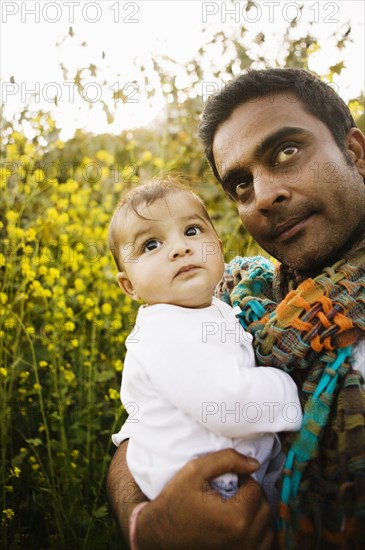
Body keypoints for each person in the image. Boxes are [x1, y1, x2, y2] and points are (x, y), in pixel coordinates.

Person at [106, 68, 365, 549]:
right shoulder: (234, 295)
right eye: (242, 184)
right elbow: (137, 431)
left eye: (287, 152)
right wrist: (145, 523)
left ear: (354, 153)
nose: (264, 196)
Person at [108, 179, 302, 508]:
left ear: (219, 247)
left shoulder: (211, 309)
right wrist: (290, 387)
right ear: (130, 286)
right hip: (207, 495)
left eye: (193, 231)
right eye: (151, 245)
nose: (180, 248)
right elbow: (229, 403)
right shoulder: (165, 331)